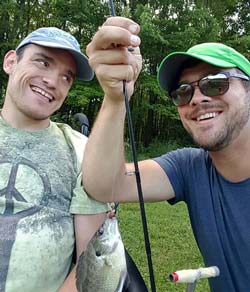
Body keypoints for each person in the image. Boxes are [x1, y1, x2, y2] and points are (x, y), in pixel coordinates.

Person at [82, 16, 250, 291]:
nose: (196, 98)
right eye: (183, 92)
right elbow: (104, 185)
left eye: (215, 83)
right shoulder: (189, 168)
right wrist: (115, 98)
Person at [1, 27, 109, 292]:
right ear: (11, 61)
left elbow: (91, 262)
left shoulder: (83, 151)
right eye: (43, 62)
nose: (53, 81)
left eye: (66, 77)